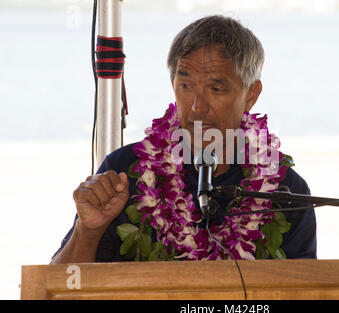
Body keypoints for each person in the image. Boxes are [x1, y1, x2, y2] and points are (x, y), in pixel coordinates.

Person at [51, 15, 316, 264]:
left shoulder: (287, 192)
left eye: (216, 88)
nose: (197, 107)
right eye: (185, 86)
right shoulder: (125, 172)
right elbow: (61, 287)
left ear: (251, 95)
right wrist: (88, 230)